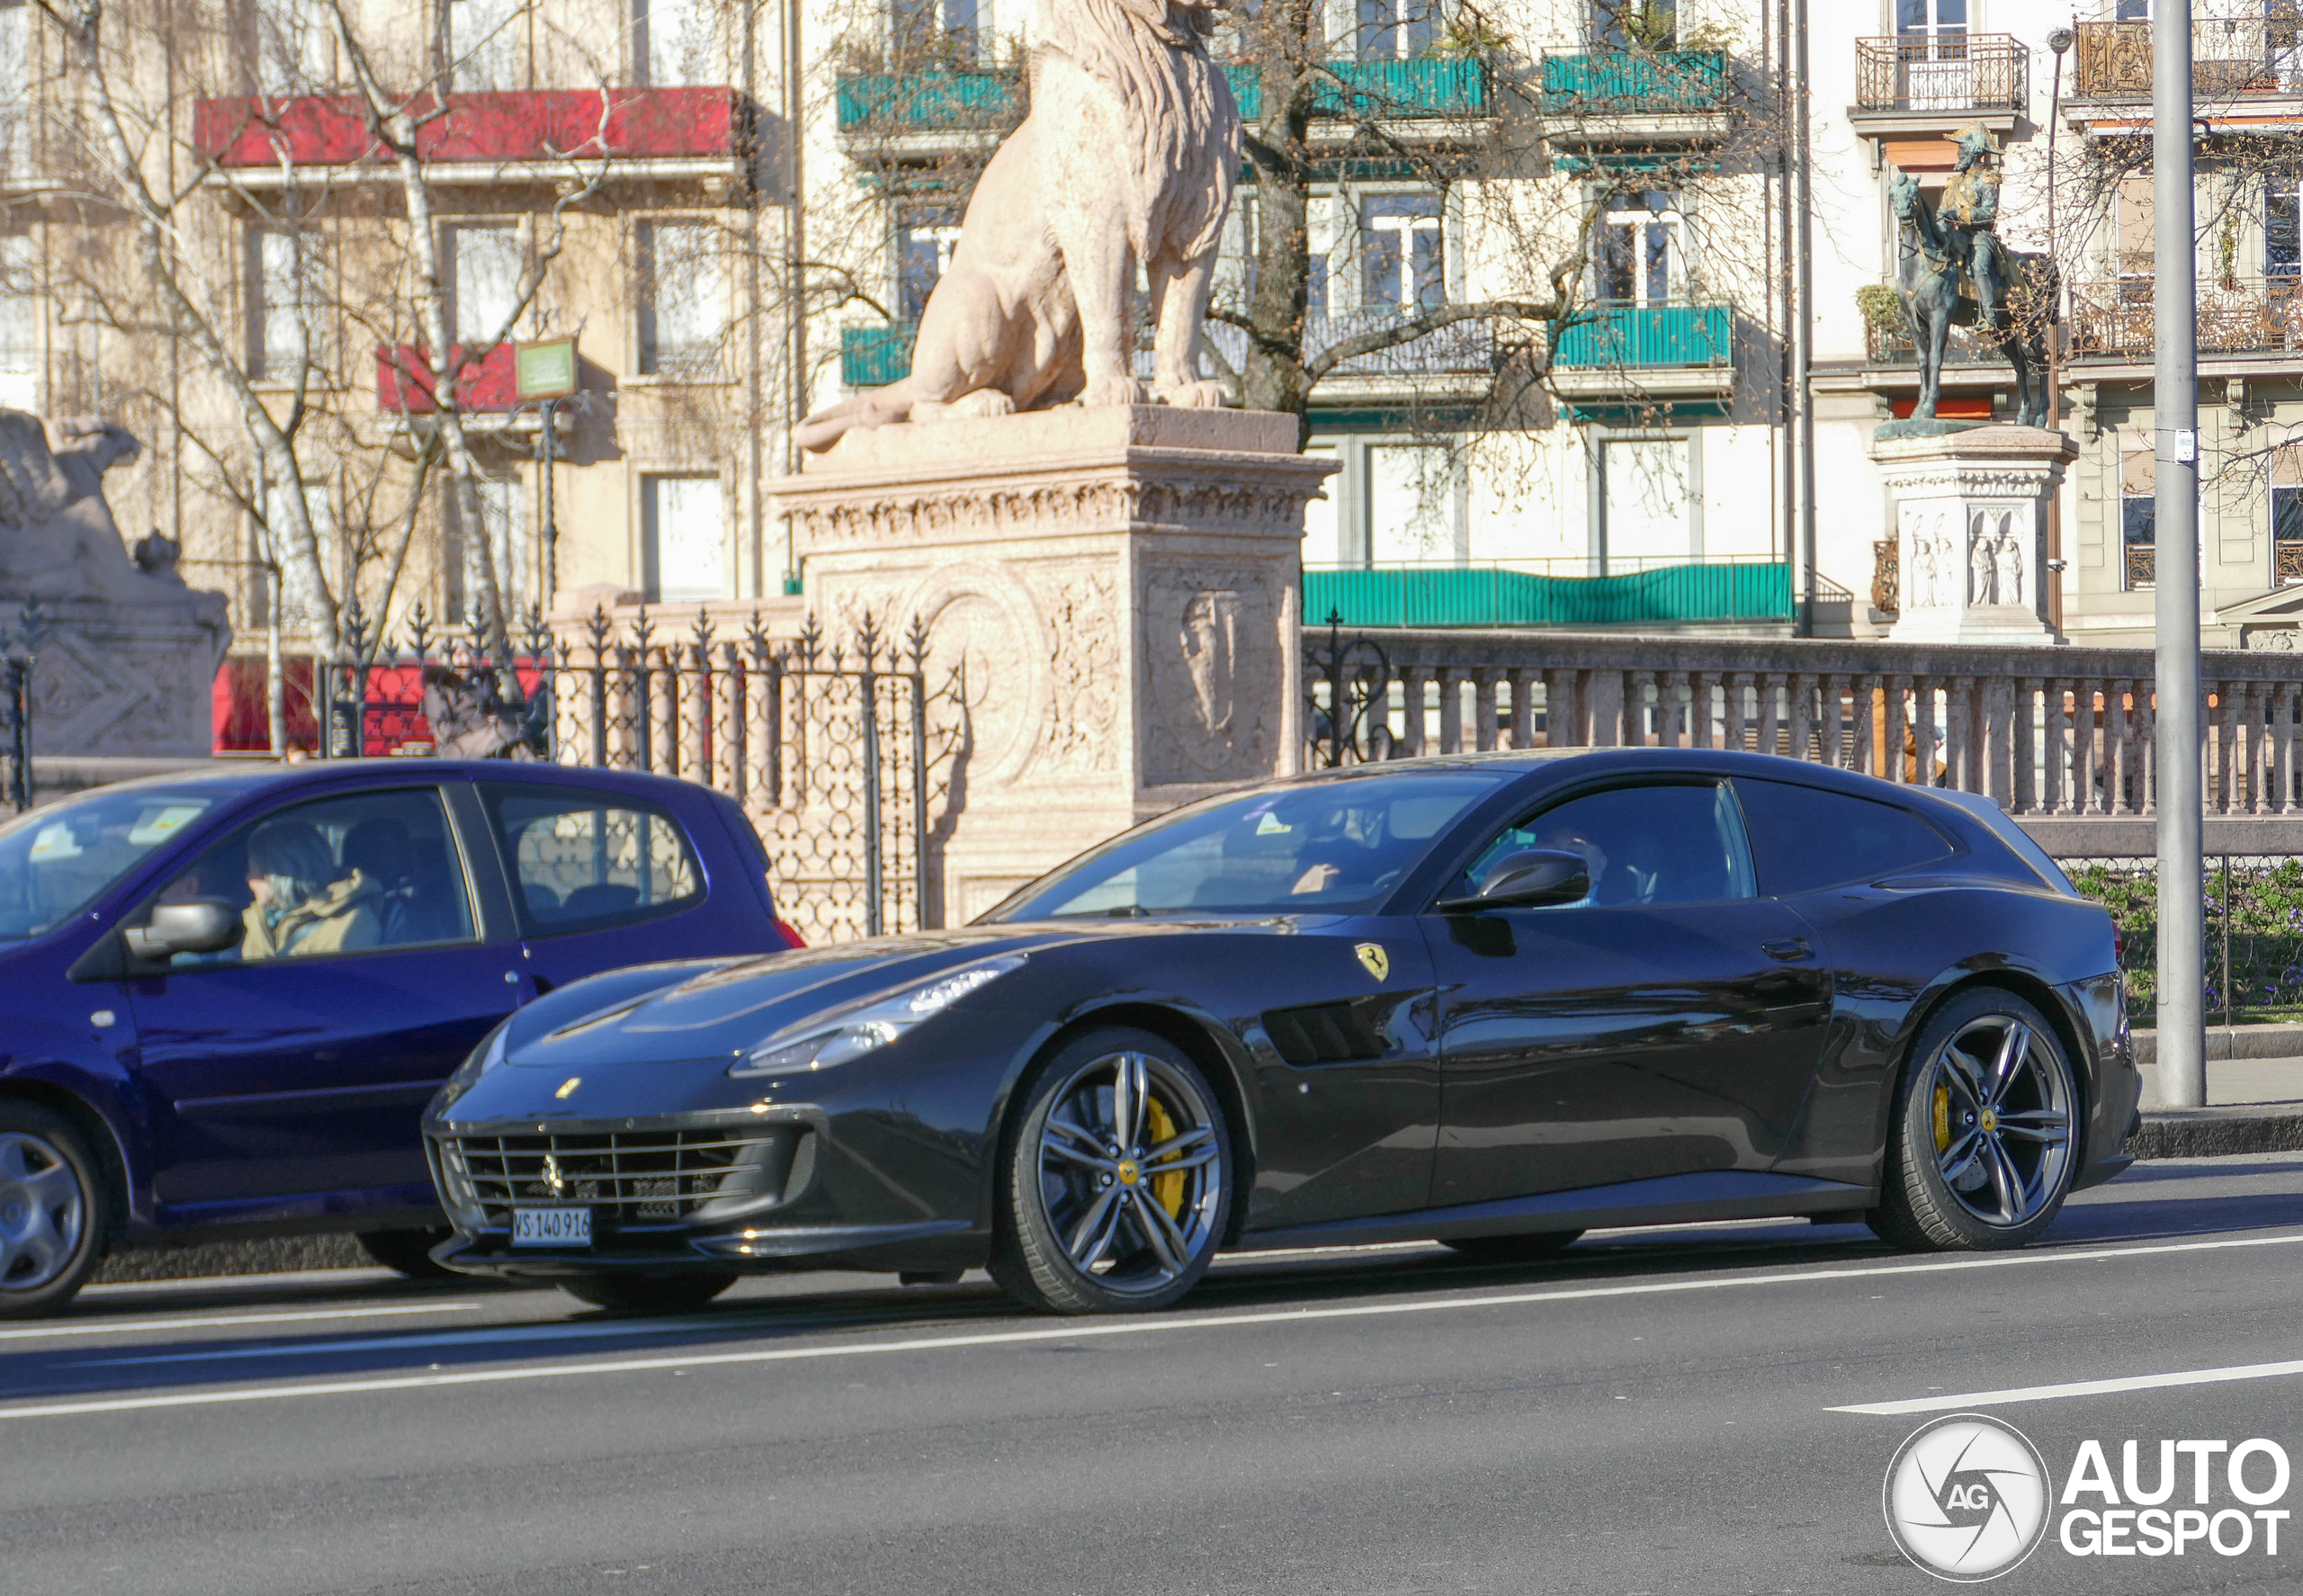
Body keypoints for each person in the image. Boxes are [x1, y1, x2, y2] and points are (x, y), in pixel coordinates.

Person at [241, 820, 381, 959]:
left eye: (253, 871)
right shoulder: (257, 919)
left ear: (280, 876)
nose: (248, 878)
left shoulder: (352, 923)